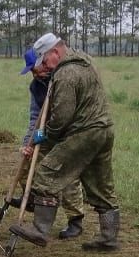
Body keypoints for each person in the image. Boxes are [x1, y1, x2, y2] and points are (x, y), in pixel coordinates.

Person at [10, 33, 120, 252]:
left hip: (84, 132)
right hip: (104, 129)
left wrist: (40, 138)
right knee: (100, 185)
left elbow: (60, 120)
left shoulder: (65, 74)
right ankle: (109, 238)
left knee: (46, 173)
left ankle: (40, 230)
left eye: (45, 61)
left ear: (56, 51)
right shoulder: (85, 61)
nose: (46, 67)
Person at [20, 48, 88, 239]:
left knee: (67, 176)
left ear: (44, 62)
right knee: (28, 164)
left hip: (68, 133)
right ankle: (33, 200)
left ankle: (75, 219)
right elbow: (35, 118)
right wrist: (29, 143)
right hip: (46, 133)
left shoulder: (62, 78)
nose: (34, 74)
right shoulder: (36, 87)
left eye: (35, 69)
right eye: (31, 71)